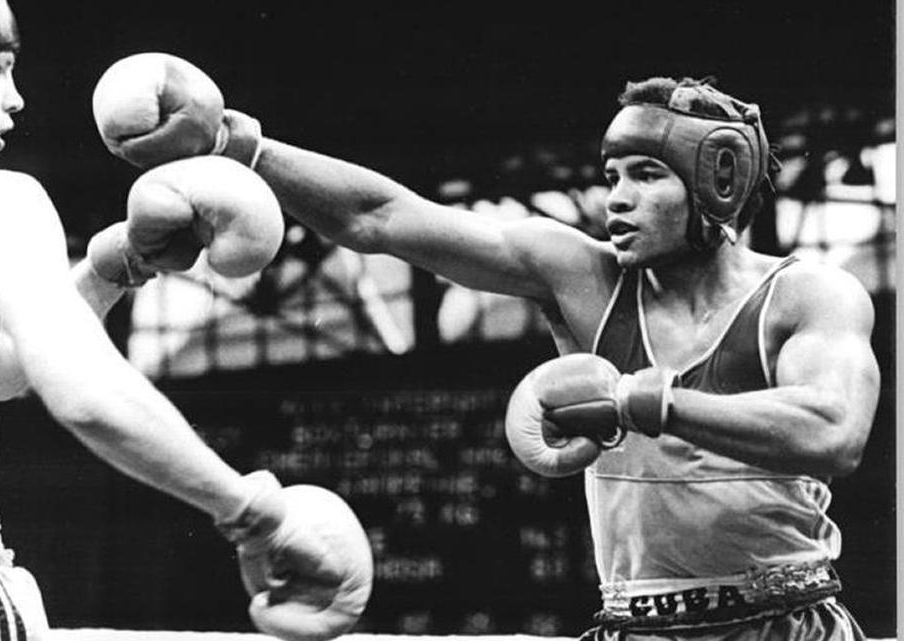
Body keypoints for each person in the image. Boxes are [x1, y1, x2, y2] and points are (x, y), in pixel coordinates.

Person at [101, 57, 880, 640]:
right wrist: (240, 144)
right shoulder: (578, 275)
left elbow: (832, 431)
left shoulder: (808, 295)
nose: (616, 196)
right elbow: (380, 218)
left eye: (647, 175)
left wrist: (650, 401)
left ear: (717, 183)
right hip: (631, 623)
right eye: (612, 173)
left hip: (787, 618)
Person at [0, 2, 372, 640]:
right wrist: (256, 514)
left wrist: (113, 266)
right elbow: (87, 394)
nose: (16, 98)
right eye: (0, 68)